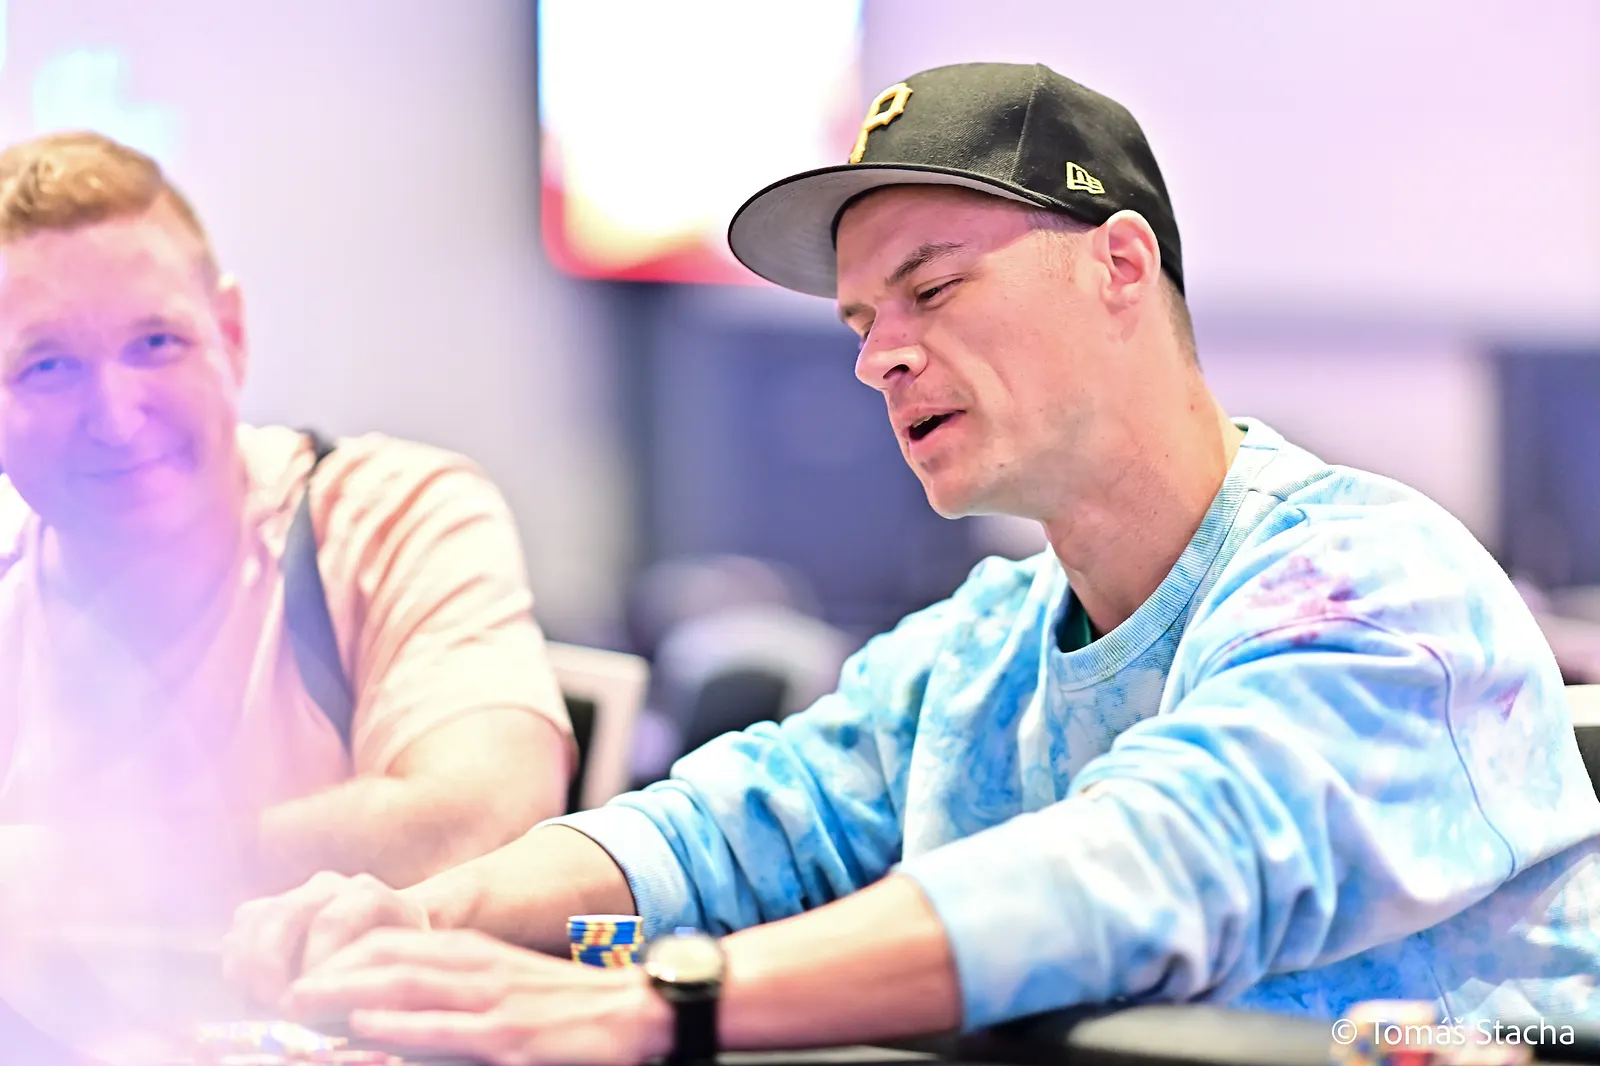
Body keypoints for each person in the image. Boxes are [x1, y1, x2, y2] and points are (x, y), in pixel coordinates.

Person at [223, 62, 1600, 1064]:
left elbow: (1143, 865)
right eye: (862, 320)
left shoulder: (1369, 580)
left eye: (931, 289)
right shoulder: (984, 643)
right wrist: (423, 918)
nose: (877, 356)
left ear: (1122, 265)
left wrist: (656, 1001)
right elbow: (737, 822)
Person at [0, 130, 575, 937]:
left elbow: (484, 820)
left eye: (156, 343)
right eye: (48, 366)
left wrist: (70, 874)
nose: (118, 418)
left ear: (231, 335)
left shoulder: (388, 519)